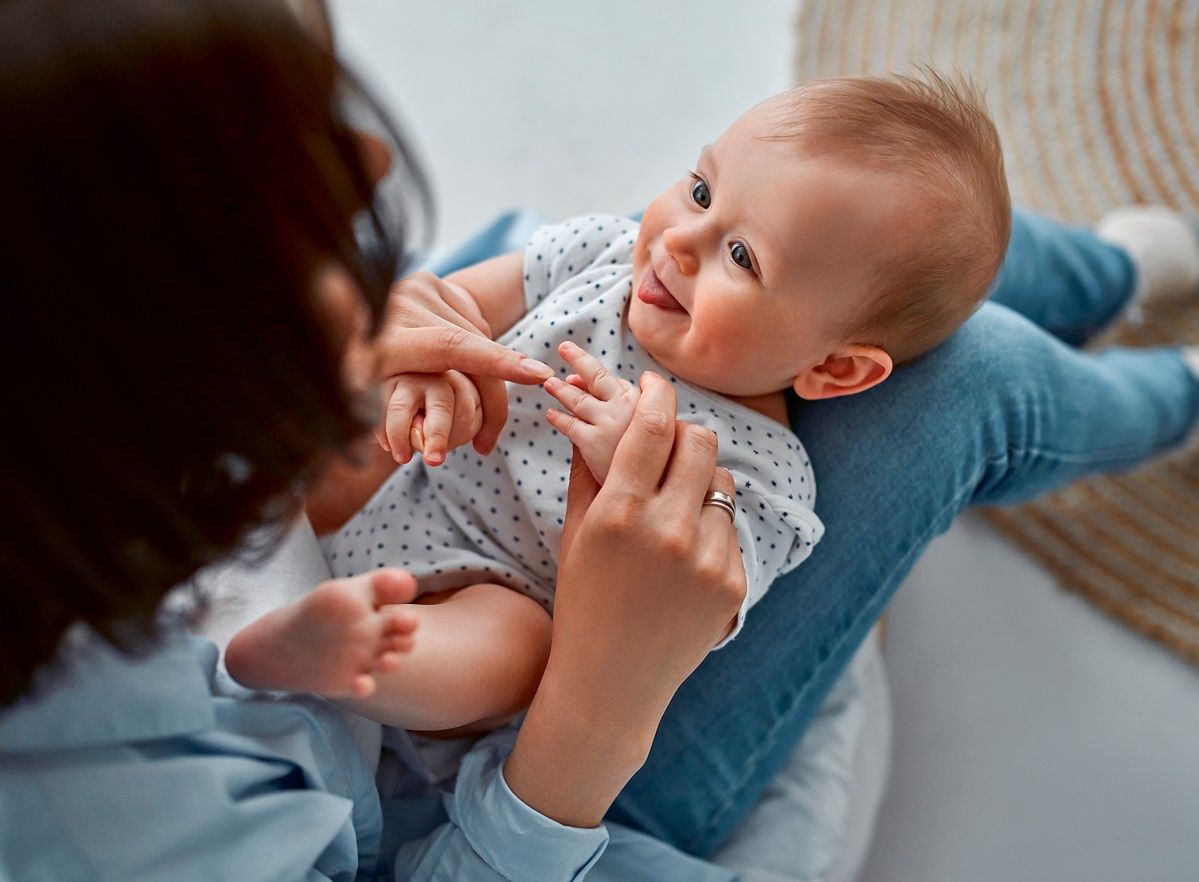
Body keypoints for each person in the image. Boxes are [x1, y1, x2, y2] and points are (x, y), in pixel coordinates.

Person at [1, 0, 1196, 879]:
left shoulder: (743, 433)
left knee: (852, 213)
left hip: (398, 509)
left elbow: (474, 292)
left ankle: (1096, 275)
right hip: (515, 716)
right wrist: (600, 695)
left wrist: (402, 327)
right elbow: (687, 595)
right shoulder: (111, 826)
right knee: (955, 362)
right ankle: (1170, 392)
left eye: (724, 242)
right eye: (289, 163)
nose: (371, 158)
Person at [224, 71, 1012, 736]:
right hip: (411, 467)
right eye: (701, 190)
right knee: (333, 423)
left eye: (740, 255)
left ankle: (348, 658)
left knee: (515, 651)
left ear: (834, 370)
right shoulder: (600, 253)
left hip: (487, 588)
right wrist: (427, 365)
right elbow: (447, 307)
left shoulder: (765, 474)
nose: (675, 240)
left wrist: (624, 473)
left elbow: (677, 615)